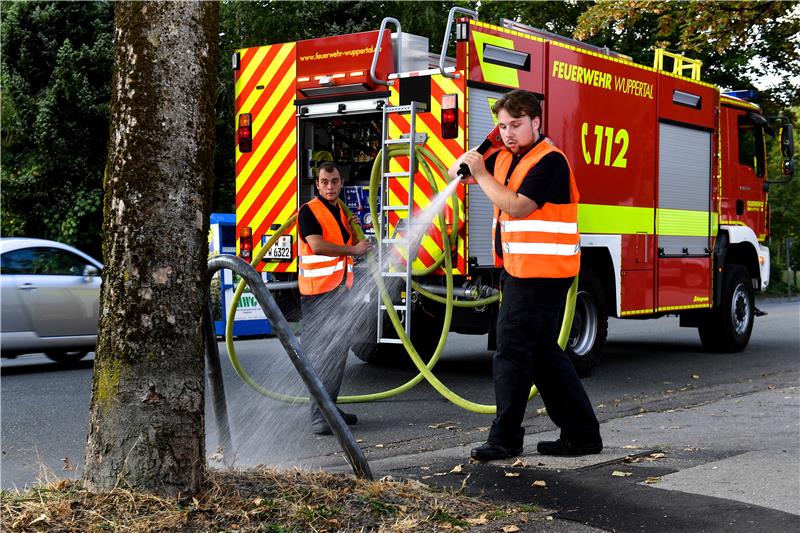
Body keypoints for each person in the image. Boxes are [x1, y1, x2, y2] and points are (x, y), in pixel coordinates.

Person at [448, 90, 602, 460]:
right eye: (502, 126)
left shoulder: (550, 162)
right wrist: (471, 161)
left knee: (512, 351)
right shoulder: (503, 156)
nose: (508, 132)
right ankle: (581, 435)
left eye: (516, 125)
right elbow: (460, 175)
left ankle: (505, 438)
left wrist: (481, 171)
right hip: (519, 271)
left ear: (536, 122)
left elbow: (517, 207)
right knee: (543, 354)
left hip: (543, 273)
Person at [297, 162, 372, 435]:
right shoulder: (308, 211)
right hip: (318, 296)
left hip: (339, 292)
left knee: (337, 354)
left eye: (335, 181)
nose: (330, 186)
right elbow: (316, 245)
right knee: (322, 355)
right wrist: (352, 248)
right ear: (317, 184)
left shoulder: (341, 210)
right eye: (325, 181)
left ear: (342, 183)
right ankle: (320, 416)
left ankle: (329, 409)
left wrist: (359, 245)